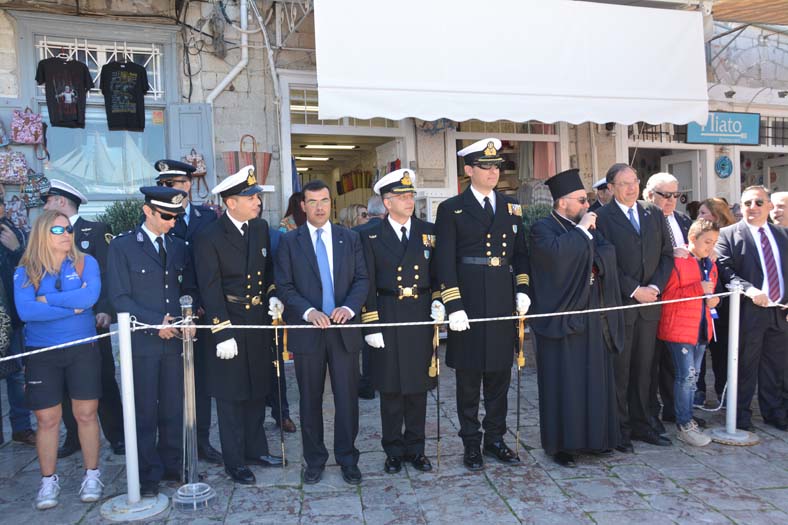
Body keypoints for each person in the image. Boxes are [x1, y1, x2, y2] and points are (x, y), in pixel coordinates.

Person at [434, 137, 531, 471]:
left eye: (496, 166)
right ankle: (471, 444)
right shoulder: (452, 209)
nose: (493, 172)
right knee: (469, 380)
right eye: (486, 166)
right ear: (469, 170)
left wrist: (522, 289)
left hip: (502, 299)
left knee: (500, 377)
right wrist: (453, 304)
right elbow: (444, 262)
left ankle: (495, 439)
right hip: (470, 301)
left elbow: (521, 255)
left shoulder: (511, 207)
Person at [275, 179, 369, 486]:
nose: (319, 207)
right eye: (312, 202)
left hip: (343, 330)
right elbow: (284, 285)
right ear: (303, 206)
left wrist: (350, 308)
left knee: (347, 399)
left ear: (332, 204)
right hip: (308, 331)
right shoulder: (290, 241)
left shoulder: (349, 238)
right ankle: (314, 460)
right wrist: (308, 312)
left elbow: (362, 279)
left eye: (324, 201)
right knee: (309, 400)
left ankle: (348, 459)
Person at [193, 166, 283, 485]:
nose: (258, 201)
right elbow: (210, 287)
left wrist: (272, 295)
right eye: (251, 197)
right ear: (231, 203)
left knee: (257, 387)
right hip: (228, 320)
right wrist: (222, 331)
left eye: (257, 196)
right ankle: (235, 460)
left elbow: (267, 270)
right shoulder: (209, 237)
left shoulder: (259, 228)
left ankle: (255, 450)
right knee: (231, 395)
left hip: (256, 321)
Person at [529, 169, 624, 467]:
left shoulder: (588, 227)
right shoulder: (542, 229)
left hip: (592, 314)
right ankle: (563, 446)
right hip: (561, 318)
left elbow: (608, 253)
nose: (587, 205)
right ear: (562, 203)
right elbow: (555, 259)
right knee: (565, 383)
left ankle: (596, 440)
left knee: (593, 378)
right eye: (582, 200)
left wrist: (585, 251)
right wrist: (582, 235)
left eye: (588, 200)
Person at [107, 186, 194, 497]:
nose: (172, 222)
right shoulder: (123, 247)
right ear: (148, 211)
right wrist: (154, 323)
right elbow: (119, 296)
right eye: (166, 216)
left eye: (176, 217)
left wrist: (188, 317)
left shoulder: (179, 246)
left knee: (173, 408)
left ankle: (173, 465)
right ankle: (147, 473)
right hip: (142, 344)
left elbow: (187, 289)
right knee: (144, 411)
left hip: (174, 343)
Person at [14, 210, 103, 509]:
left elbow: (89, 298)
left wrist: (47, 300)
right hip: (42, 352)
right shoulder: (26, 269)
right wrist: (71, 308)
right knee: (47, 419)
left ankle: (92, 475)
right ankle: (48, 481)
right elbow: (27, 311)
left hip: (82, 347)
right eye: (58, 230)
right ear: (42, 233)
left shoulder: (85, 262)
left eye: (68, 229)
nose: (67, 234)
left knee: (86, 414)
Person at [360, 169, 443, 474]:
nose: (410, 201)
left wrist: (439, 300)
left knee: (418, 386)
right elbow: (365, 282)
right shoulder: (369, 235)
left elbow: (439, 272)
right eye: (402, 196)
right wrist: (371, 324)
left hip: (419, 313)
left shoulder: (428, 231)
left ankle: (416, 449)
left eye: (411, 195)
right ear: (387, 202)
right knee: (391, 388)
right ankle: (393, 449)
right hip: (388, 312)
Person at [40, 180, 125, 459]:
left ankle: (117, 435)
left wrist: (106, 309)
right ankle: (74, 436)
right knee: (65, 381)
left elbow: (109, 274)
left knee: (103, 378)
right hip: (59, 323)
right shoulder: (44, 235)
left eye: (48, 201)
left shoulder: (96, 231)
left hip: (92, 322)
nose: (45, 207)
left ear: (62, 202)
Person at [594, 163, 674, 452]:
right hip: (621, 306)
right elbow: (604, 262)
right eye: (624, 184)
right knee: (621, 371)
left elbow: (667, 255)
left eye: (635, 182)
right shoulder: (602, 218)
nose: (631, 188)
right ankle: (620, 430)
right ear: (611, 188)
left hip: (650, 305)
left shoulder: (653, 212)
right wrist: (634, 290)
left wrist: (655, 287)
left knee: (645, 370)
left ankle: (643, 424)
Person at [153, 159, 223, 465]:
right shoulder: (157, 217)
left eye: (181, 183)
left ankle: (202, 441)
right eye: (169, 185)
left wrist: (204, 303)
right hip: (169, 313)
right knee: (170, 384)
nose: (177, 189)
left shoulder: (207, 217)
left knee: (202, 381)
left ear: (190, 185)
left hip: (201, 312)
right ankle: (173, 445)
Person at [716, 185, 788, 431]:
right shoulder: (728, 234)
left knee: (776, 367)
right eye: (747, 203)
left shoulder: (783, 235)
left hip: (779, 310)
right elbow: (724, 270)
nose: (752, 208)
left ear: (769, 205)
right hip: (748, 311)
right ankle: (739, 415)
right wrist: (749, 290)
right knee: (744, 366)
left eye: (758, 202)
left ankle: (775, 413)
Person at [657, 219, 720, 447]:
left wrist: (713, 301)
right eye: (707, 242)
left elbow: (710, 293)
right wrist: (697, 289)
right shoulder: (677, 262)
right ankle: (684, 424)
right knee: (686, 377)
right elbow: (666, 297)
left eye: (714, 243)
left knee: (693, 377)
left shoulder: (710, 264)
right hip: (679, 329)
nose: (711, 247)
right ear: (692, 239)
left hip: (702, 328)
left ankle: (687, 418)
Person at [642, 173, 693, 432]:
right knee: (651, 361)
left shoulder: (683, 220)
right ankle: (650, 414)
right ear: (650, 195)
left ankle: (676, 410)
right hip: (654, 297)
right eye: (666, 195)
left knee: (676, 362)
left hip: (681, 303)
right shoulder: (644, 219)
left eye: (676, 195)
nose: (671, 200)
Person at [0, 192, 36, 447]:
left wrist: (15, 249)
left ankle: (21, 427)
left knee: (16, 375)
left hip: (12, 317)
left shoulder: (14, 233)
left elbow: (29, 269)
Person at [696, 197, 736, 405]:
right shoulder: (696, 237)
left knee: (722, 353)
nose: (699, 217)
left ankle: (724, 392)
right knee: (700, 353)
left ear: (717, 216)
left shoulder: (728, 237)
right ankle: (698, 391)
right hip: (700, 304)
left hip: (724, 304)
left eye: (703, 213)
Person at [353, 195, 386, 400]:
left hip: (359, 296)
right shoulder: (386, 231)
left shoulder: (355, 232)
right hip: (384, 295)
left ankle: (367, 384)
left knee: (366, 342)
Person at [265, 226, 296, 434]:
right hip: (240, 311)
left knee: (275, 364)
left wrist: (275, 294)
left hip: (272, 307)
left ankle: (282, 413)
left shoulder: (275, 236)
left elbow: (281, 272)